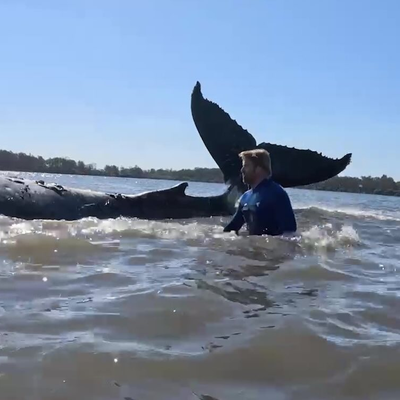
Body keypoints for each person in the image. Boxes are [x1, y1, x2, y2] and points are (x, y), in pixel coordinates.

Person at [223, 149, 297, 236]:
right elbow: (232, 228)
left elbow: (290, 232)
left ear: (259, 169)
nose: (242, 170)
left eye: (246, 166)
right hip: (253, 244)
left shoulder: (277, 194)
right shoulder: (245, 197)